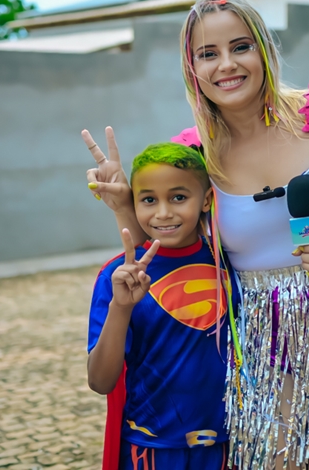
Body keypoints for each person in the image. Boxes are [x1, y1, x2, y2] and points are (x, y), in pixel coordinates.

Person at [82, 0, 309, 470]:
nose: (227, 65)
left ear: (264, 49)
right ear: (192, 69)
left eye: (240, 46)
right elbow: (168, 250)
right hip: (259, 358)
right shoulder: (196, 157)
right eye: (208, 54)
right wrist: (122, 206)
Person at [86, 142, 235, 470]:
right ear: (134, 203)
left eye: (178, 197)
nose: (163, 213)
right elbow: (100, 381)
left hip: (233, 445)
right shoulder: (118, 276)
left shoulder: (232, 263)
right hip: (151, 450)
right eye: (149, 200)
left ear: (206, 200)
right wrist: (120, 307)